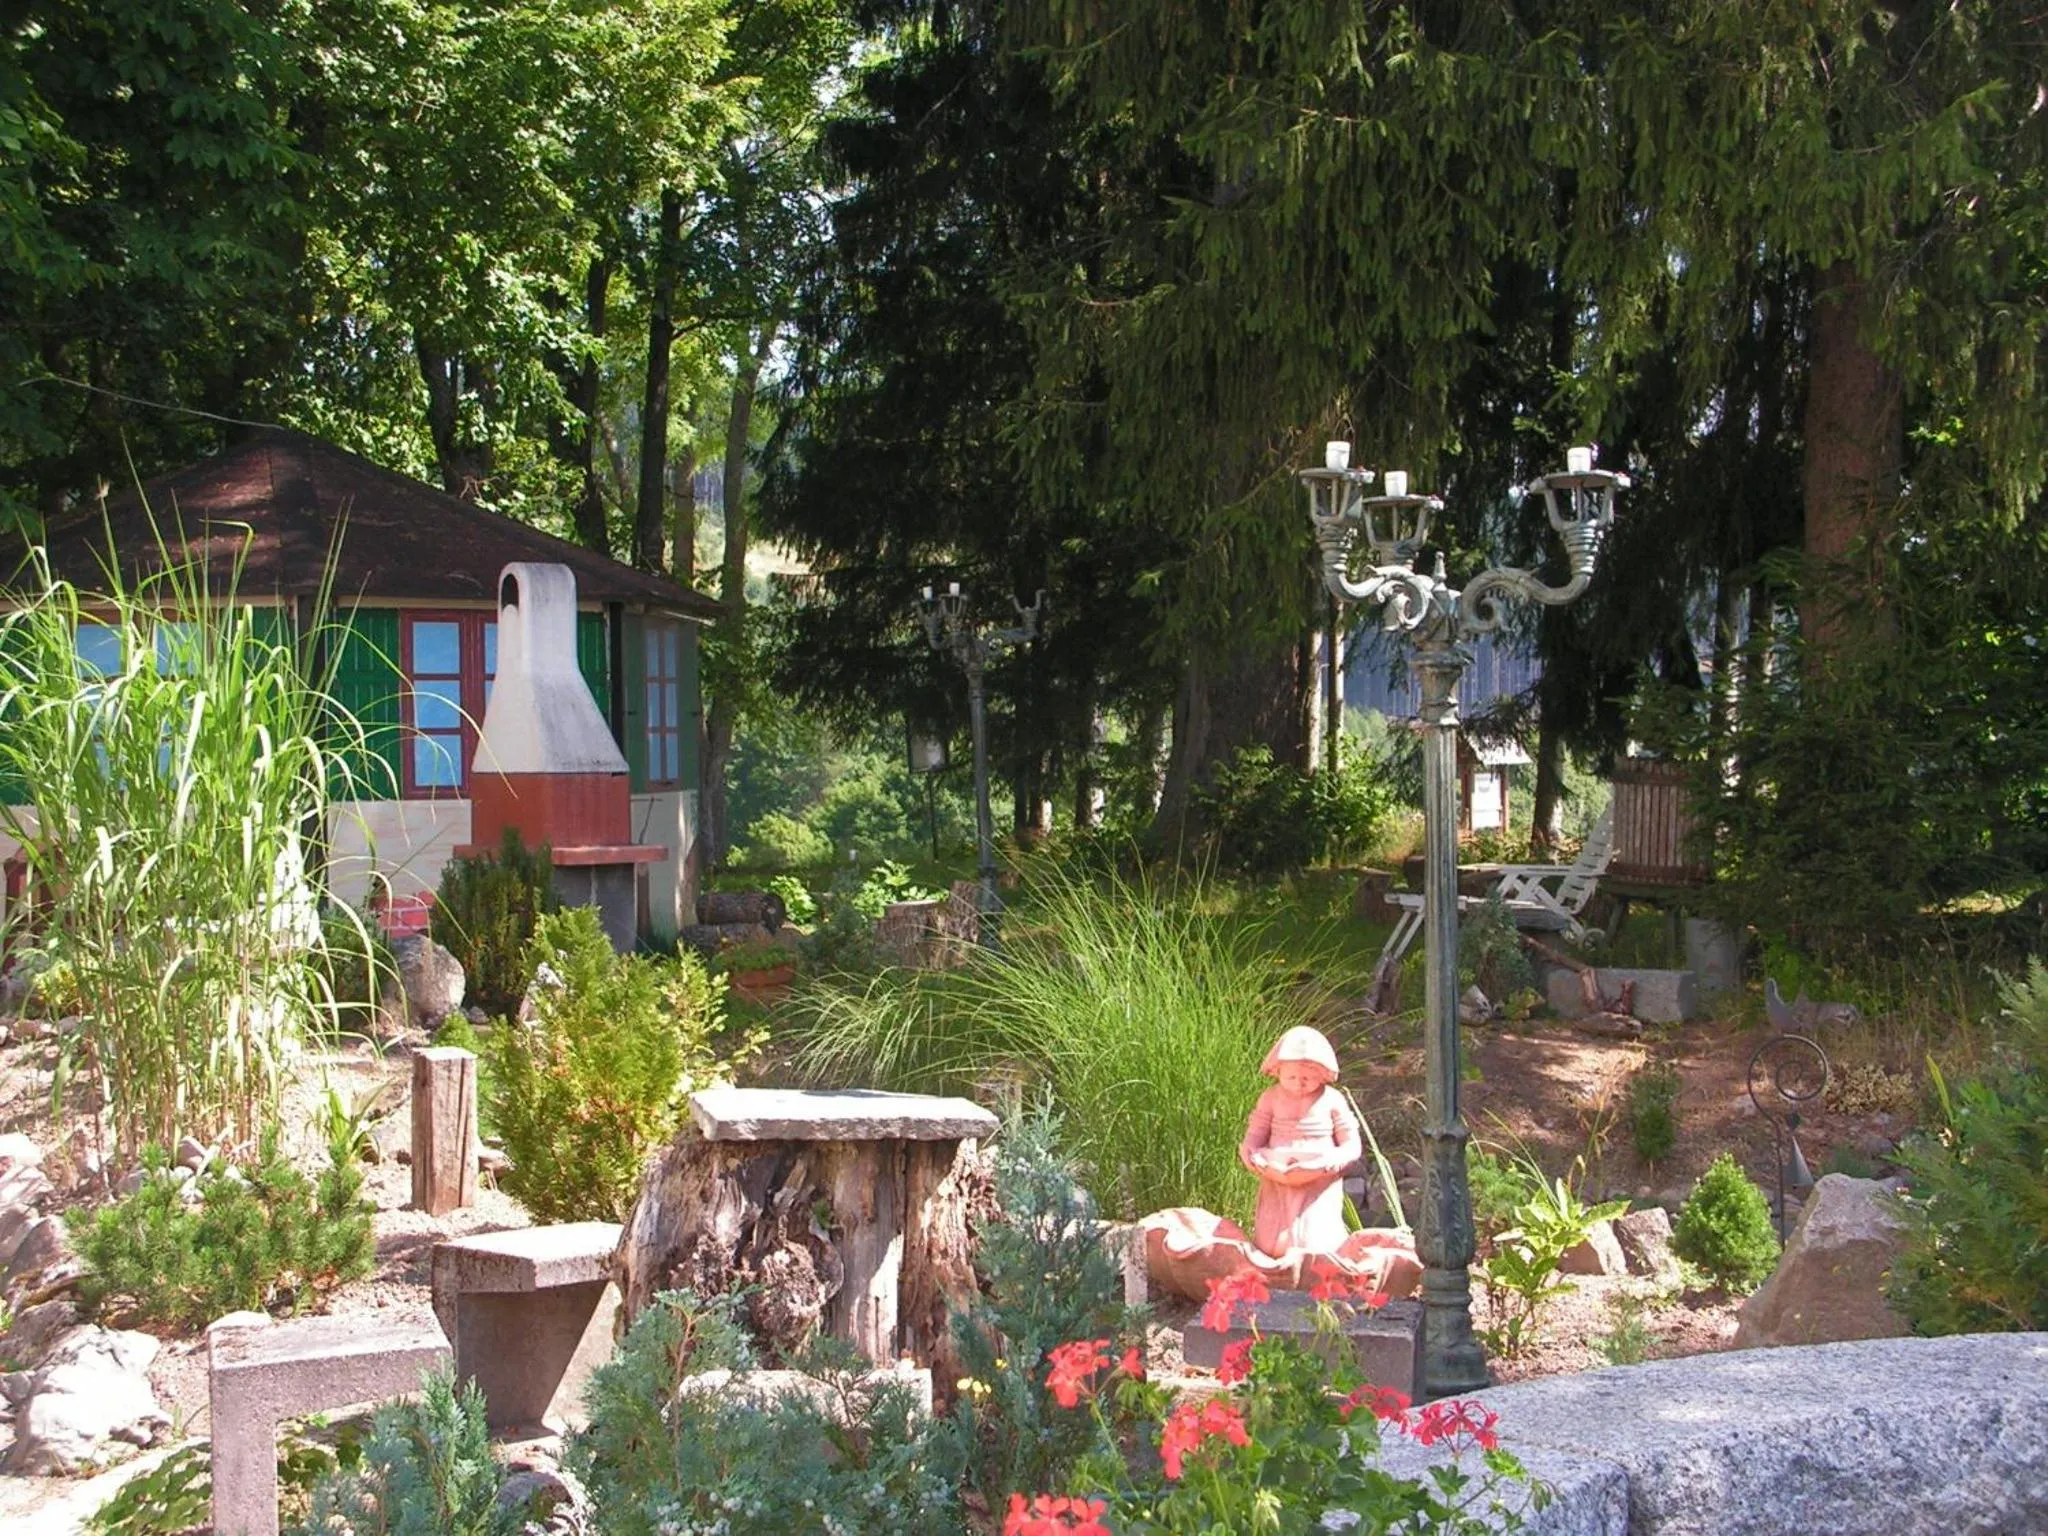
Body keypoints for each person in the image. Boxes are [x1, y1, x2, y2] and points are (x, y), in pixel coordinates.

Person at [1239, 1025, 1358, 1258]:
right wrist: (1250, 1151)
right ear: (1277, 1071)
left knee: (1315, 1240)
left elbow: (1351, 1143)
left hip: (1319, 1177)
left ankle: (1319, 1273)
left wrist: (1335, 1160)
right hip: (1277, 1173)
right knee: (1272, 1239)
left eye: (1307, 1077)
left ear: (1323, 1073)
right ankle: (1272, 1264)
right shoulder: (1270, 1098)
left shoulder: (1332, 1100)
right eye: (1291, 1076)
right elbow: (1256, 1132)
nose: (1298, 1083)